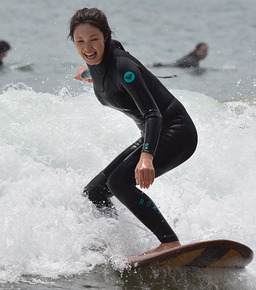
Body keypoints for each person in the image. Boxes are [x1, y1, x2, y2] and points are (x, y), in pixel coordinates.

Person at [69, 8, 198, 254]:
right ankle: (119, 245)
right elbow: (96, 70)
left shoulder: (123, 68)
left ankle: (169, 241)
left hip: (177, 132)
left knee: (119, 182)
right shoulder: (96, 64)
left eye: (94, 39)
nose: (87, 46)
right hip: (155, 132)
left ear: (105, 37)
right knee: (95, 192)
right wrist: (86, 74)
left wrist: (146, 157)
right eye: (80, 41)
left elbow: (153, 114)